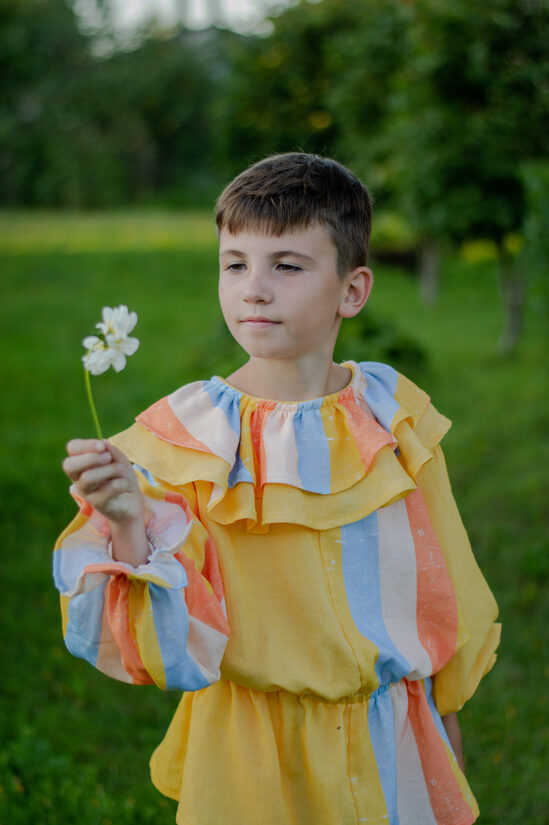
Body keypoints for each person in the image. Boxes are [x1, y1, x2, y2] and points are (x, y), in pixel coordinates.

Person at [53, 153, 500, 825]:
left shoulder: (388, 413)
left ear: (352, 291)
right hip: (253, 757)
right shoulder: (192, 436)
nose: (252, 289)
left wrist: (441, 725)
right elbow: (173, 647)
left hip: (389, 734)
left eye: (285, 266)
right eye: (234, 263)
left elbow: (443, 587)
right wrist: (125, 518)